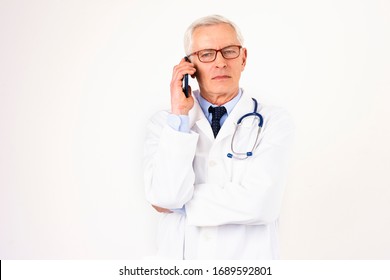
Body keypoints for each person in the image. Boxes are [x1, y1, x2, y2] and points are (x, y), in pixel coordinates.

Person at [143, 15, 294, 259]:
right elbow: (165, 196)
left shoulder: (274, 122)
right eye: (206, 54)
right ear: (188, 66)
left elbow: (263, 204)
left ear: (243, 58)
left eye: (229, 51)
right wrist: (180, 116)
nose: (220, 62)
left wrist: (178, 204)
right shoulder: (166, 125)